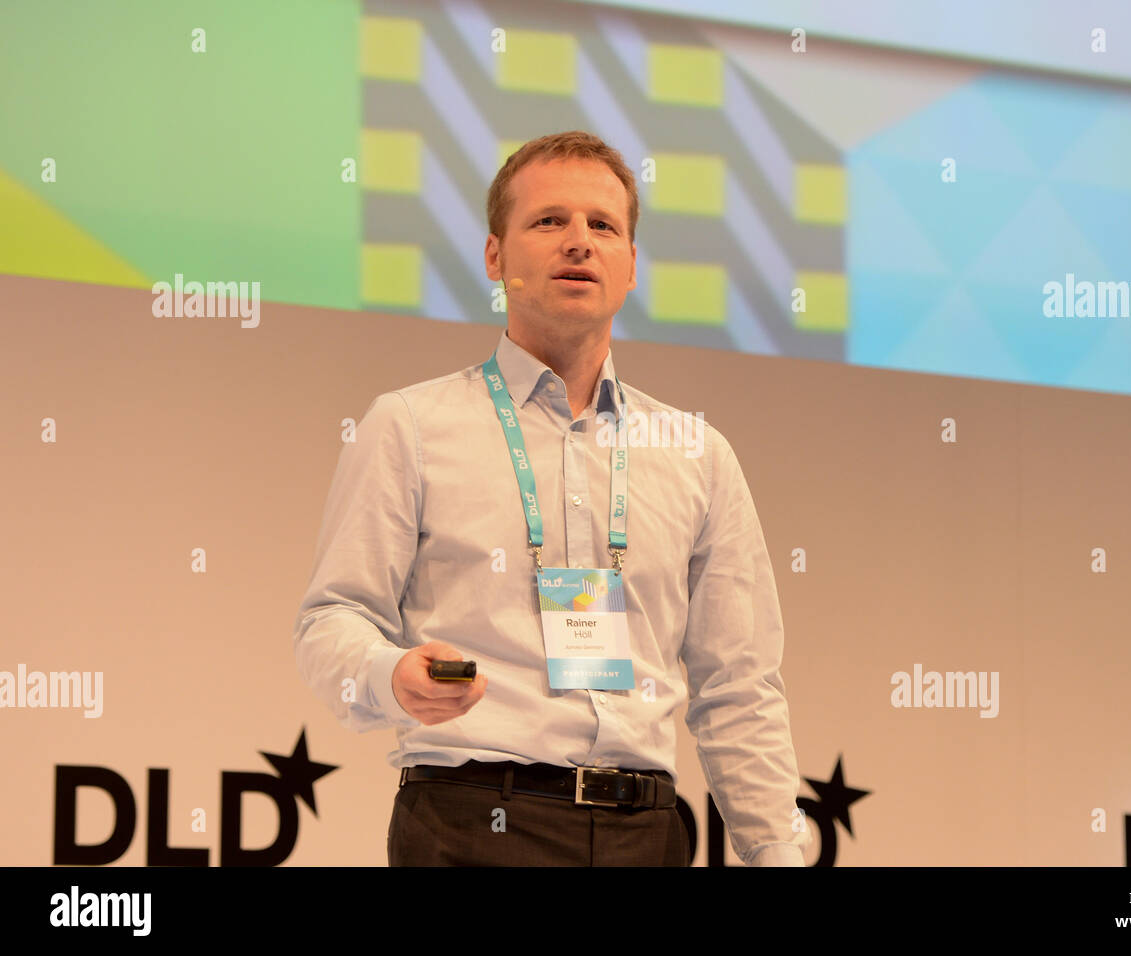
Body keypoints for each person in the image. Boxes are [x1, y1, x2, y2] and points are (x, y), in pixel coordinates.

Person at [293, 130, 809, 866]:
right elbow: (330, 620)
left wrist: (774, 852)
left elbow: (739, 687)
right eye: (549, 221)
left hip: (650, 834)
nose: (579, 242)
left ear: (631, 266)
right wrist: (390, 676)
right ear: (495, 257)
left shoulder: (699, 454)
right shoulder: (410, 426)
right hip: (473, 825)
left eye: (604, 226)